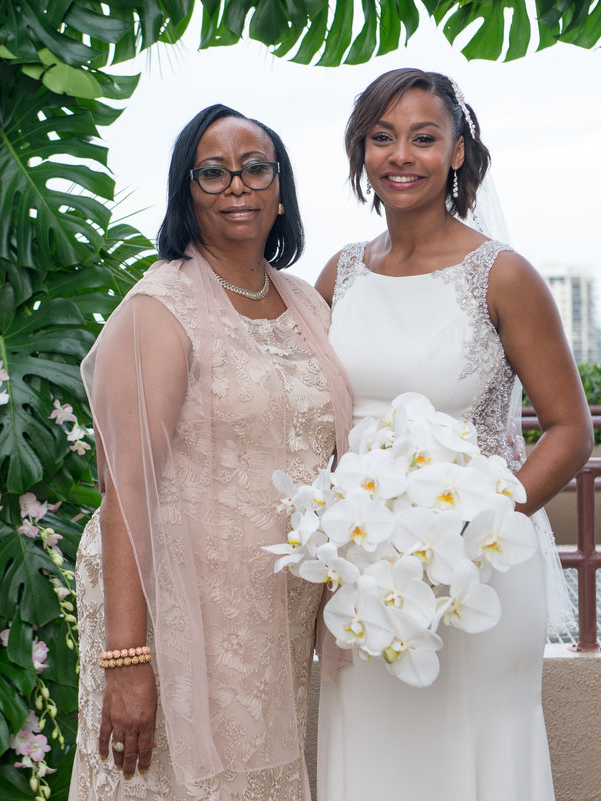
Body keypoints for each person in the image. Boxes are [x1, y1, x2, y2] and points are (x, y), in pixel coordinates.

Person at [314, 68, 594, 801]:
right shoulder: (337, 275)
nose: (400, 154)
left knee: (479, 752)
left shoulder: (502, 275)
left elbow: (571, 429)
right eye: (382, 138)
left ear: (458, 153)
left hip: (479, 569)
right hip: (365, 570)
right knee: (370, 751)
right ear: (361, 153)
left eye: (423, 137)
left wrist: (480, 523)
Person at [71, 104, 353, 801]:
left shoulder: (307, 306)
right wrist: (128, 660)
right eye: (213, 171)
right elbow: (125, 492)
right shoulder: (160, 307)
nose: (237, 184)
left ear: (280, 190)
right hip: (172, 616)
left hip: (268, 620)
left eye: (256, 167)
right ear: (186, 192)